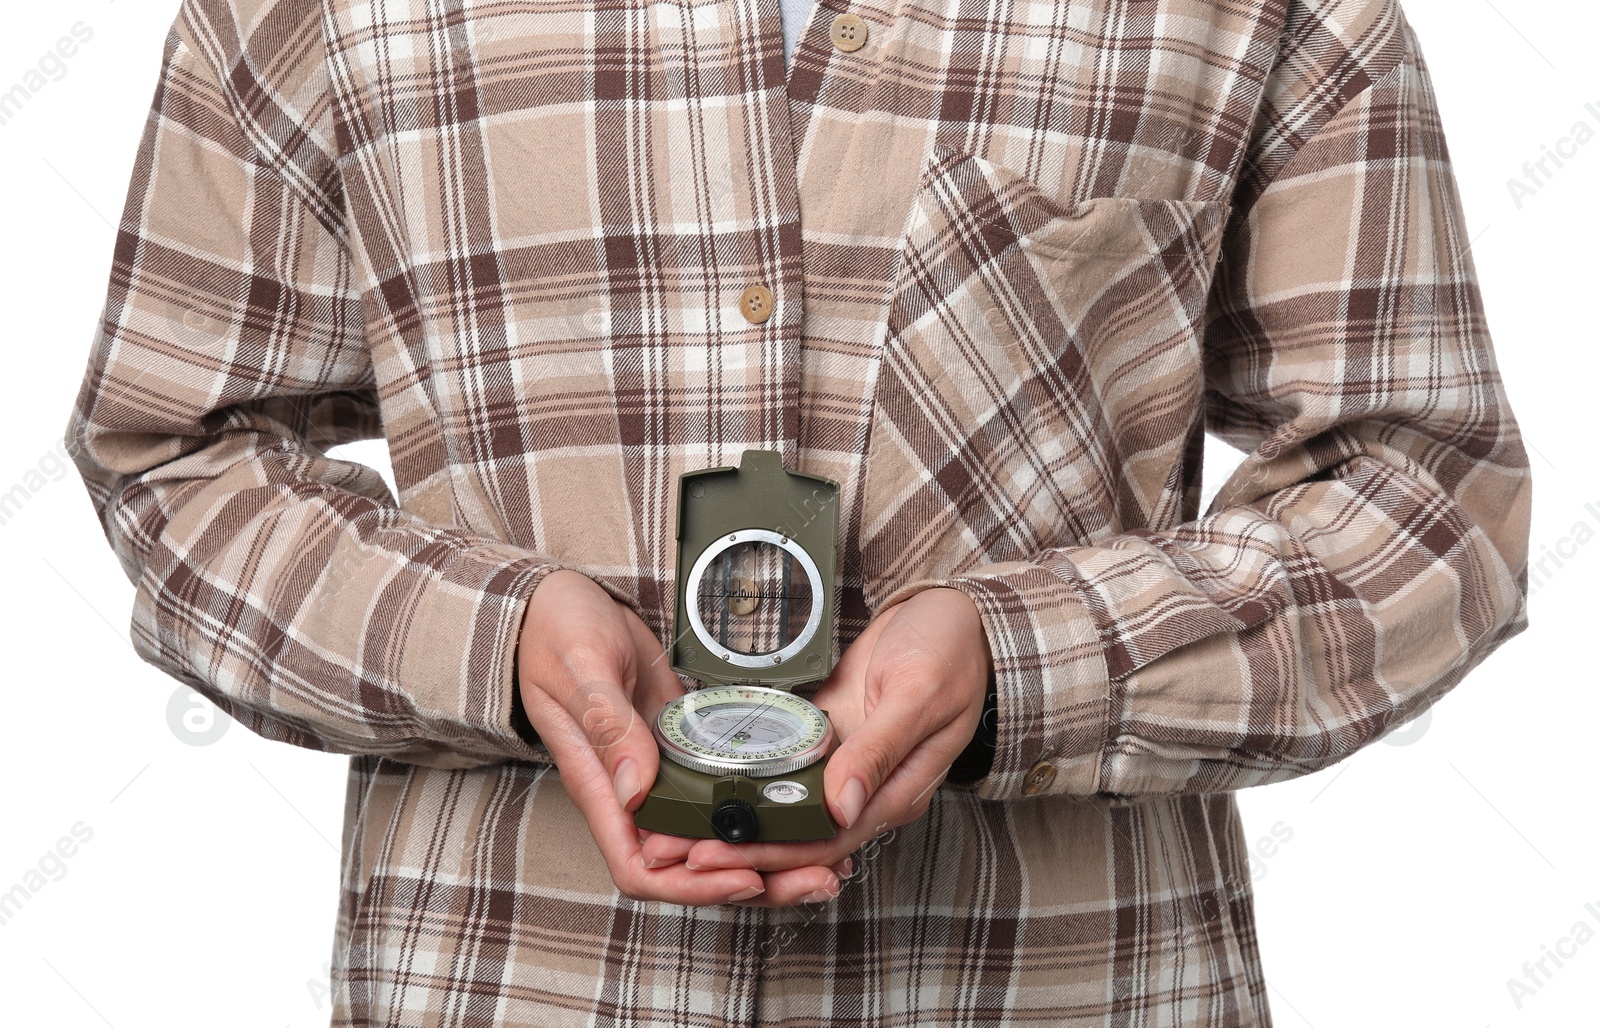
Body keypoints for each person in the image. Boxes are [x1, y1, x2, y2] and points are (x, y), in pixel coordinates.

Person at [64, 0, 1531, 1023]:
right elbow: (181, 458)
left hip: (1071, 987)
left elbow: (1427, 495)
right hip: (507, 986)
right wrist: (496, 643)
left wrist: (1025, 666)